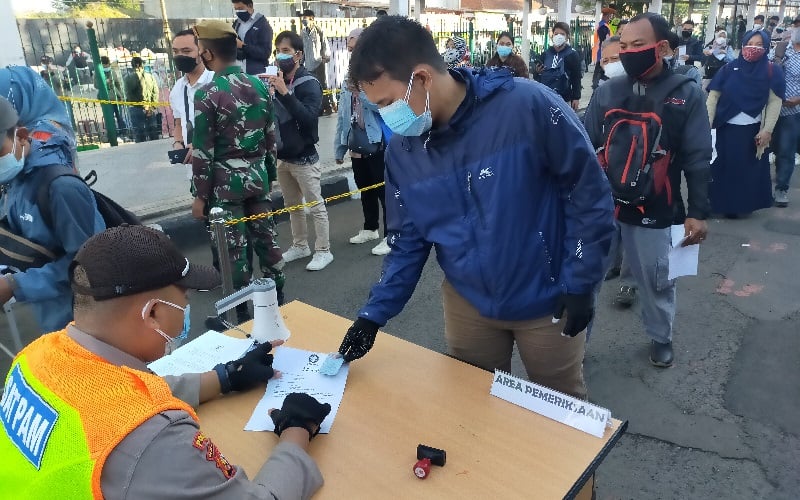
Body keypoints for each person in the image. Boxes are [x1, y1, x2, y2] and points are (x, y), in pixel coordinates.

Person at [338, 16, 615, 401]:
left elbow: (588, 193)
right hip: (467, 302)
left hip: (547, 297)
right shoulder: (404, 150)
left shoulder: (528, 106)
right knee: (473, 408)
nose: (387, 117)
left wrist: (582, 280)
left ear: (422, 78)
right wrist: (373, 315)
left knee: (559, 410)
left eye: (387, 103)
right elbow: (407, 241)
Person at [0, 224, 331, 498]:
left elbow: (115, 395)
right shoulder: (155, 440)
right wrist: (297, 431)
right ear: (153, 314)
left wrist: (224, 376)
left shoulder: (36, 356)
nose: (186, 311)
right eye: (184, 300)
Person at [584, 13, 712, 367]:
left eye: (638, 45)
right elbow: (585, 146)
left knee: (657, 279)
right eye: (623, 45)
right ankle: (574, 345)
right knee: (584, 279)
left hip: (657, 207)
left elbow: (698, 157)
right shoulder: (607, 91)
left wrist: (697, 212)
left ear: (663, 47)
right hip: (603, 208)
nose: (628, 52)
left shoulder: (685, 94)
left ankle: (660, 337)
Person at [190, 20, 286, 326]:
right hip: (258, 179)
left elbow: (203, 152)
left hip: (224, 186)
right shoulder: (260, 86)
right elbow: (270, 139)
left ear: (207, 54)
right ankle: (277, 303)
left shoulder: (207, 94)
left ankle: (239, 316)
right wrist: (269, 178)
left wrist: (199, 196)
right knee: (267, 241)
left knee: (232, 250)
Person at [0, 97, 104, 333]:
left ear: (21, 136)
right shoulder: (14, 180)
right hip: (53, 317)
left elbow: (89, 264)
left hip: (87, 322)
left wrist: (15, 285)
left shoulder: (61, 188)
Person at [267, 31, 333, 272]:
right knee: (292, 205)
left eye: (286, 51)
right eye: (278, 51)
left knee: (316, 205)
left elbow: (309, 117)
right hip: (282, 155)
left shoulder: (309, 83)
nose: (280, 56)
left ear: (299, 55)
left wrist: (285, 93)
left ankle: (323, 250)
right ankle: (300, 245)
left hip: (304, 156)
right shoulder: (275, 80)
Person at [707, 30, 784, 218]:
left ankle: (739, 206)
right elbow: (713, 97)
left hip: (752, 132)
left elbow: (775, 101)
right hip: (724, 128)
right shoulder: (728, 69)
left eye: (759, 44)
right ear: (742, 45)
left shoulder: (772, 71)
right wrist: (706, 125)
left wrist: (767, 130)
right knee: (721, 168)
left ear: (766, 47)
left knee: (746, 170)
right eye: (750, 43)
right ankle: (718, 204)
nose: (753, 48)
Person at [334, 28, 390, 256]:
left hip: (376, 142)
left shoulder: (378, 73)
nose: (352, 53)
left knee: (383, 190)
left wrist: (361, 92)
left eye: (355, 48)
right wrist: (339, 147)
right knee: (364, 187)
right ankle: (370, 227)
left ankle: (391, 235)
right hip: (356, 143)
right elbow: (342, 114)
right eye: (349, 49)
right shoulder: (348, 76)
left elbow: (382, 105)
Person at [170, 29, 215, 174]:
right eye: (175, 51)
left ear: (202, 52)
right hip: (194, 171)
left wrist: (201, 146)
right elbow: (178, 123)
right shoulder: (177, 88)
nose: (180, 56)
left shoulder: (217, 81)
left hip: (221, 170)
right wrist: (178, 143)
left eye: (186, 51)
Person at [770, 25, 800, 207]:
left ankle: (781, 189)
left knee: (786, 151)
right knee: (763, 149)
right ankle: (758, 189)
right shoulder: (780, 50)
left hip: (792, 112)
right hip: (770, 110)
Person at [534, 22, 582, 110]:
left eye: (562, 34)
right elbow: (536, 77)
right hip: (545, 97)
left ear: (567, 37)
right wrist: (537, 72)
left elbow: (576, 77)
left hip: (564, 99)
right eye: (556, 34)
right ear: (552, 36)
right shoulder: (545, 54)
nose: (558, 36)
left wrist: (576, 97)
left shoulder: (572, 55)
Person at [301, 10, 334, 116]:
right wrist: (301, 61)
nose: (303, 20)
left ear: (311, 18)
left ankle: (327, 107)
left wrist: (326, 57)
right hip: (308, 64)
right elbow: (303, 48)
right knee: (313, 87)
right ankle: (318, 109)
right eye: (303, 18)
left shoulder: (318, 30)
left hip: (319, 62)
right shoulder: (302, 32)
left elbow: (324, 44)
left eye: (305, 17)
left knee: (322, 86)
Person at [231, 0, 273, 75]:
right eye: (236, 9)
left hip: (256, 72)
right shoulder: (236, 23)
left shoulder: (262, 24)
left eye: (240, 8)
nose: (238, 11)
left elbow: (265, 53)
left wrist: (243, 46)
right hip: (238, 71)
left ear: (250, 6)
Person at [124, 56, 160, 143]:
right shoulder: (150, 76)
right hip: (149, 106)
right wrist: (153, 106)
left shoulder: (128, 78)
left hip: (136, 107)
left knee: (139, 132)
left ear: (132, 66)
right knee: (153, 131)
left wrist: (135, 104)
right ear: (142, 64)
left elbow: (128, 94)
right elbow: (155, 91)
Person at [95, 56, 127, 133]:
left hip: (116, 97)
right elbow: (96, 85)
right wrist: (104, 82)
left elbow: (117, 84)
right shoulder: (97, 73)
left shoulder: (112, 72)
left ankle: (123, 131)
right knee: (109, 117)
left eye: (107, 65)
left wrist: (121, 95)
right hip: (106, 98)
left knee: (119, 116)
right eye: (104, 66)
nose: (106, 67)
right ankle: (113, 132)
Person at [592, 6, 617, 89]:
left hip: (601, 53)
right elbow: (604, 41)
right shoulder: (603, 26)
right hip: (602, 54)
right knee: (600, 75)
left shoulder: (604, 25)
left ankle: (597, 88)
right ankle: (597, 89)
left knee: (600, 74)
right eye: (610, 15)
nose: (611, 18)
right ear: (607, 15)